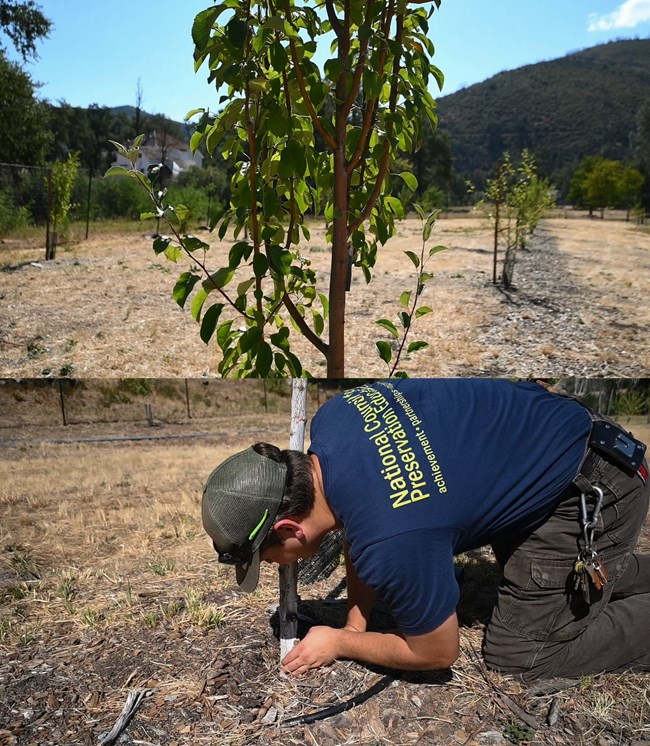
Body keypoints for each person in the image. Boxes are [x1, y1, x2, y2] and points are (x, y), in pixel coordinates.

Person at [201, 379, 649, 680]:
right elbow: (364, 521)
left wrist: (341, 642)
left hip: (592, 486)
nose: (271, 566)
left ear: (287, 528)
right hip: (552, 441)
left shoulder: (392, 539)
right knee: (552, 583)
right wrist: (357, 618)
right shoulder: (336, 417)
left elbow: (436, 652)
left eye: (264, 557)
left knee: (521, 657)